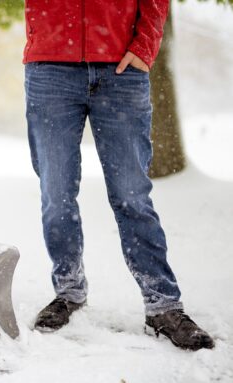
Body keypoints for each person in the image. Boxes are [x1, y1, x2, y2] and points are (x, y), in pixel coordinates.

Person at [23, 0, 214, 351]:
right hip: (50, 70)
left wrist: (143, 48)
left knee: (132, 196)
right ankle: (68, 291)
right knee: (56, 193)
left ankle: (162, 305)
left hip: (120, 70)